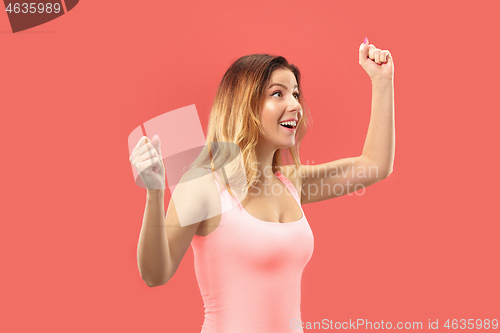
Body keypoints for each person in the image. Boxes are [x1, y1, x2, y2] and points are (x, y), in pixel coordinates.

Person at [128, 37, 395, 333]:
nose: (295, 104)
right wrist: (154, 193)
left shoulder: (292, 182)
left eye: (295, 94)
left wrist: (382, 81)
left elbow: (375, 165)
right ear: (245, 105)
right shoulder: (205, 186)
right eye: (278, 94)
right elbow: (155, 274)